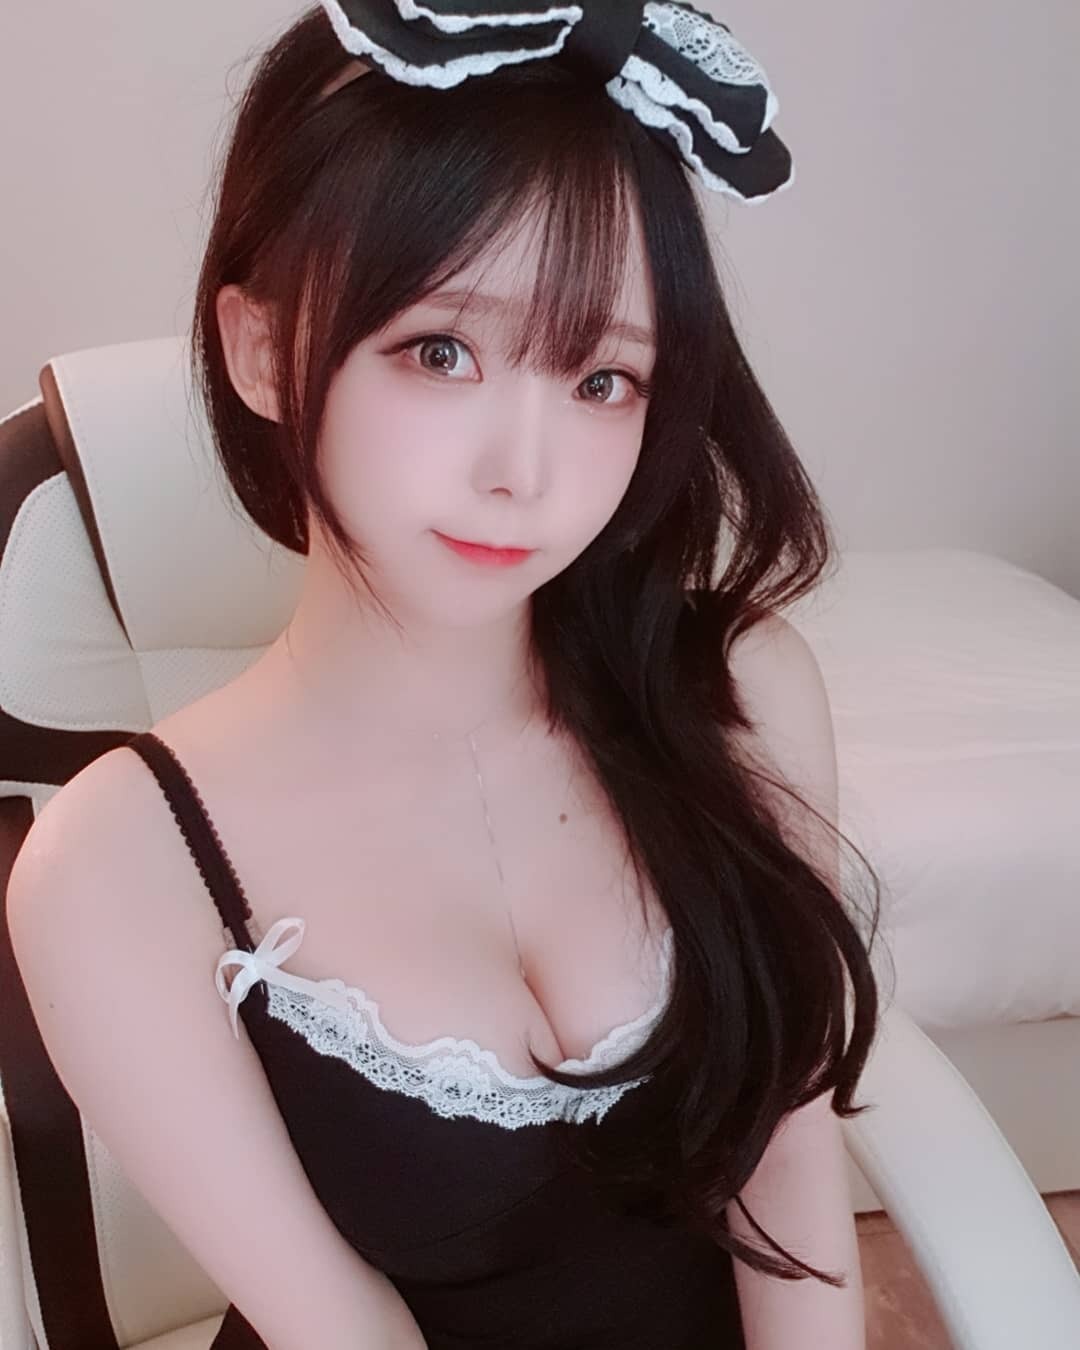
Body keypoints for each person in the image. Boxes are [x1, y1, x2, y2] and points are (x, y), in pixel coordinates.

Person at [8, 4, 883, 1347]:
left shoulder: (740, 690)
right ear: (261, 350)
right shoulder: (117, 863)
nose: (524, 472)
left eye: (602, 377)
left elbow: (793, 1186)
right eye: (441, 351)